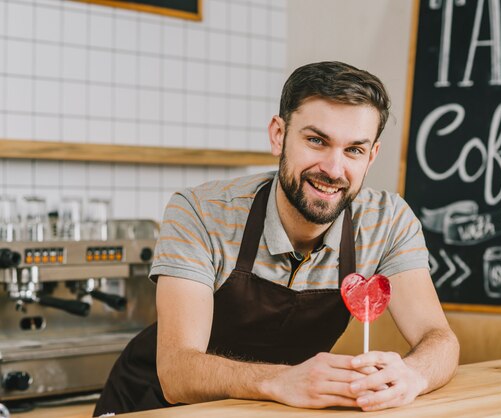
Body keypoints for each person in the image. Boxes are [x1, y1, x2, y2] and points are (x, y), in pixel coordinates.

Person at [93, 61, 459, 416]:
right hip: (153, 407)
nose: (334, 169)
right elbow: (176, 373)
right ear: (278, 135)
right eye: (317, 141)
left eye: (354, 150)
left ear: (372, 155)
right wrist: (282, 381)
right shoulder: (200, 212)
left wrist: (412, 375)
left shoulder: (388, 221)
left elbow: (438, 339)